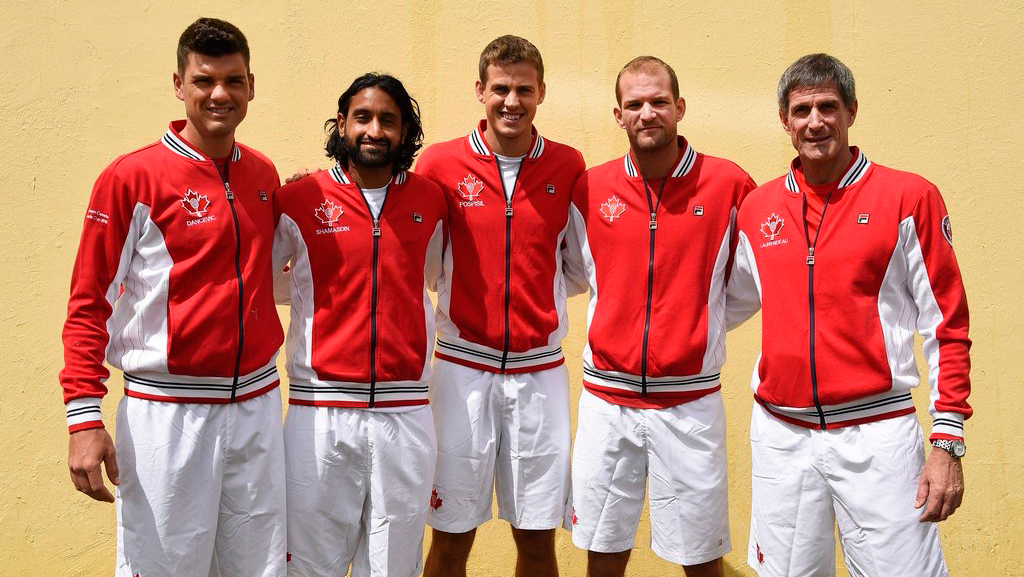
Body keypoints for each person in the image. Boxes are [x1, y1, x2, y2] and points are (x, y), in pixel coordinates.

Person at [726, 53, 971, 576]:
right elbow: (719, 305)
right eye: (802, 110)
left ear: (852, 111)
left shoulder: (909, 198)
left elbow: (946, 325)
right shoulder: (757, 208)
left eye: (828, 107)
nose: (815, 121)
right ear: (785, 121)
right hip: (781, 434)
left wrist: (947, 440)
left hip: (877, 433)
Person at [60, 18, 286, 577]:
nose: (219, 94)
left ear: (251, 86)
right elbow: (89, 302)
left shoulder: (262, 174)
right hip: (167, 414)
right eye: (204, 79)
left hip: (256, 408)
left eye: (233, 81)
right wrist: (83, 417)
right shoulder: (131, 178)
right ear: (179, 85)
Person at [562, 56, 756, 577]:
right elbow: (575, 272)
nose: (648, 113)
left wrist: (698, 325)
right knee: (602, 553)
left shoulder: (730, 185)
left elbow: (747, 283)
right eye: (634, 104)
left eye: (659, 102)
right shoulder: (590, 188)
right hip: (608, 402)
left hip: (690, 406)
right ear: (618, 116)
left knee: (701, 558)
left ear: (680, 107)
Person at [416, 35, 586, 577]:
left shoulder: (567, 164)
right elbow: (419, 254)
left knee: (536, 540)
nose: (511, 101)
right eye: (500, 89)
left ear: (541, 94)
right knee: (449, 537)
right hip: (462, 369)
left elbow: (576, 265)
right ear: (480, 91)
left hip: (539, 373)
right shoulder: (440, 163)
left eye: (524, 90)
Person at [273, 73, 446, 577]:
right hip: (319, 412)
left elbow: (434, 278)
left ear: (405, 131)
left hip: (406, 413)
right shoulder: (299, 199)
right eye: (363, 117)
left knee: (394, 566)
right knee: (308, 565)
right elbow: (271, 284)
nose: (374, 130)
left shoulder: (431, 202)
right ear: (342, 124)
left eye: (388, 120)